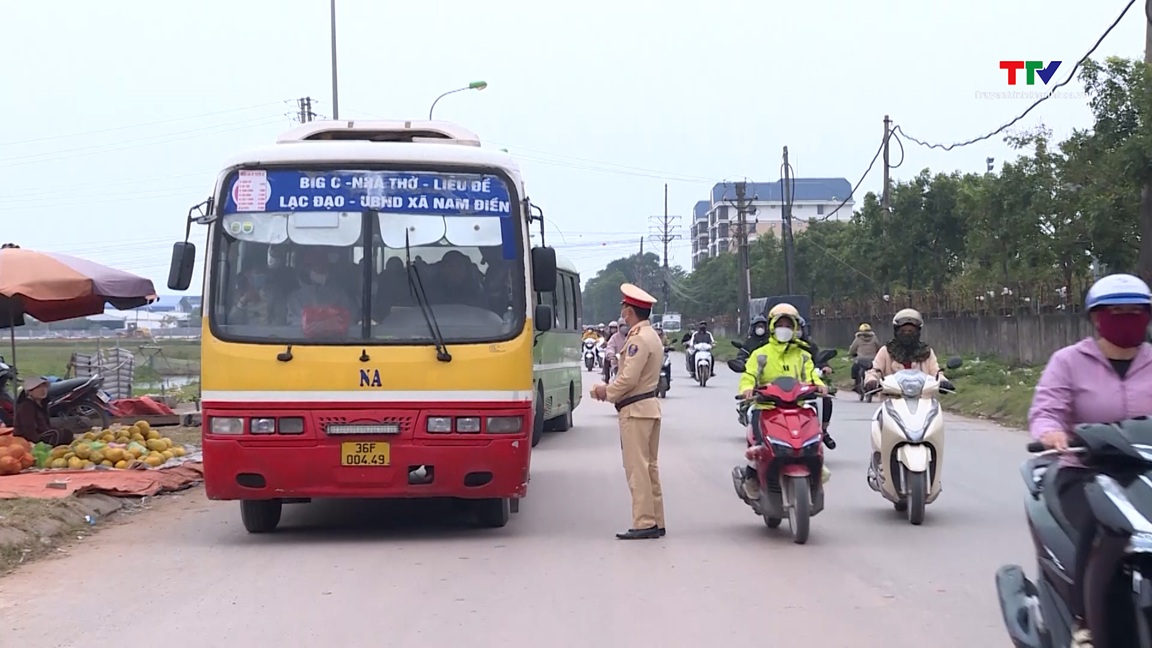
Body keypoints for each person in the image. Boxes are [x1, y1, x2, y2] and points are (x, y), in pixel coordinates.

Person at [1029, 273, 1152, 647]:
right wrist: (1053, 433)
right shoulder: (1068, 361)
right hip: (1086, 470)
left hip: (1146, 470)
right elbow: (1046, 410)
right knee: (1107, 529)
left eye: (1136, 311)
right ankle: (1086, 623)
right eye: (1116, 311)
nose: (1127, 317)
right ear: (1096, 318)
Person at [590, 283, 665, 540]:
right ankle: (656, 519)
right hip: (649, 408)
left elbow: (628, 378)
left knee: (637, 468)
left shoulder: (637, 340)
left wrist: (606, 392)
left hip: (635, 410)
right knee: (649, 467)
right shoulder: (652, 335)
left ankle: (644, 522)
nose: (622, 312)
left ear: (629, 312)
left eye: (624, 308)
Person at [732, 304, 830, 501]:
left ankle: (816, 466)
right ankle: (752, 475)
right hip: (766, 406)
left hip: (798, 405)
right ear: (772, 326)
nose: (783, 328)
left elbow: (811, 374)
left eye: (788, 324)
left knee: (814, 434)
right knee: (756, 434)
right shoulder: (761, 353)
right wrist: (747, 389)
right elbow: (749, 375)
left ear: (794, 327)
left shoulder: (802, 354)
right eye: (780, 324)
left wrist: (819, 384)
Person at [863, 308, 953, 390]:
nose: (907, 334)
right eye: (903, 331)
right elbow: (874, 370)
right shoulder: (886, 351)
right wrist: (871, 380)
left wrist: (942, 381)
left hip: (923, 400)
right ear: (896, 332)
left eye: (911, 331)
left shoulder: (926, 352)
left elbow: (935, 372)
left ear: (918, 332)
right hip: (892, 400)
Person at [793, 314, 837, 449]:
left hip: (807, 385)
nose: (794, 331)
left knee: (826, 399)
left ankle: (823, 430)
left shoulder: (809, 346)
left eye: (797, 327)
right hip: (782, 388)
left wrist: (824, 367)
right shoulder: (771, 349)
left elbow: (818, 360)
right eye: (789, 327)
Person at [286, 249, 356, 330]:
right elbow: (293, 327)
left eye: (324, 264)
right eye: (316, 265)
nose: (321, 268)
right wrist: (322, 324)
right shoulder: (295, 298)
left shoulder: (340, 295)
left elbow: (350, 322)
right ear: (307, 269)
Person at [12, 377, 92, 446]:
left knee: (66, 432)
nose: (43, 390)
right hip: (28, 439)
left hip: (43, 433)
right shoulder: (26, 406)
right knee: (55, 434)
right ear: (30, 392)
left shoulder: (42, 404)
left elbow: (46, 425)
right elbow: (29, 430)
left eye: (44, 387)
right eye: (38, 388)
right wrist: (37, 443)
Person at [848, 323, 881, 387]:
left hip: (861, 360)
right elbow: (878, 348)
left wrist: (851, 353)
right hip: (872, 359)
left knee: (854, 367)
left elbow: (852, 349)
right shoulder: (874, 338)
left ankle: (855, 382)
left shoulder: (858, 339)